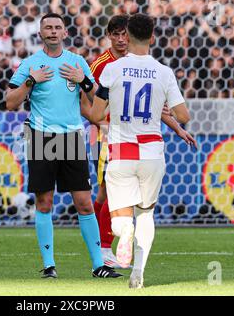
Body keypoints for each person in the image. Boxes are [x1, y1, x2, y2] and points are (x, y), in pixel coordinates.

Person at [6, 13, 122, 279]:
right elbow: (11, 102)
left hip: (71, 138)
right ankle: (49, 266)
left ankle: (98, 265)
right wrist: (31, 80)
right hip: (41, 138)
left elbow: (97, 97)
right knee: (44, 202)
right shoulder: (30, 64)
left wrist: (83, 80)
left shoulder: (77, 62)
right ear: (40, 33)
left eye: (58, 27)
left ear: (65, 33)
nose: (53, 31)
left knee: (84, 203)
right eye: (48, 27)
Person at [82, 14, 196, 269]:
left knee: (110, 192)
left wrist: (176, 128)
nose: (121, 39)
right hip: (124, 140)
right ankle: (104, 245)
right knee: (124, 199)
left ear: (131, 36)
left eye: (125, 34)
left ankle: (106, 243)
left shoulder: (117, 69)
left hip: (122, 142)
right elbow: (85, 102)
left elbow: (155, 109)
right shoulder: (106, 65)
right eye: (116, 34)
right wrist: (102, 125)